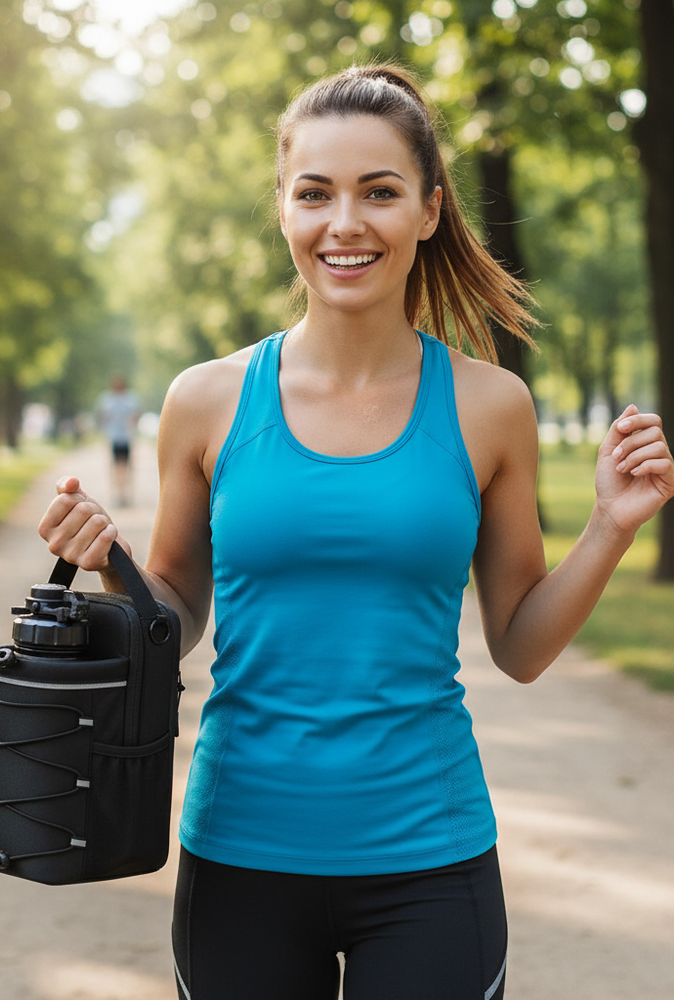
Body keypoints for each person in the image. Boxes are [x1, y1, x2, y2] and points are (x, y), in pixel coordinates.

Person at [39, 65, 674, 1000]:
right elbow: (177, 616)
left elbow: (523, 647)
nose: (346, 223)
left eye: (379, 191)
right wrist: (110, 564)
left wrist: (611, 528)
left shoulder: (491, 405)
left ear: (428, 210)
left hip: (432, 860)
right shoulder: (205, 401)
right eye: (316, 193)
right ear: (285, 213)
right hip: (240, 855)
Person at [96, 373, 140, 506]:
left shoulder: (107, 399)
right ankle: (123, 494)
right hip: (123, 437)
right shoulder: (130, 399)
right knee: (124, 467)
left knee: (118, 467)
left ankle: (121, 494)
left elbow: (102, 417)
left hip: (117, 437)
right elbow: (135, 417)